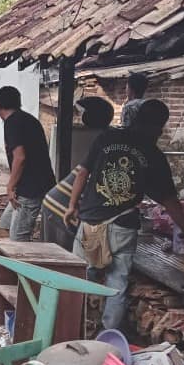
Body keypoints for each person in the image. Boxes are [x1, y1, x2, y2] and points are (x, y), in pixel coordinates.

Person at [65, 99, 184, 330]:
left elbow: (82, 173)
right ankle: (108, 337)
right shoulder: (153, 154)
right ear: (159, 127)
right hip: (123, 225)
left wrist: (72, 205)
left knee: (81, 278)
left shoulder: (107, 138)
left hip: (90, 221)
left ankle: (74, 329)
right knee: (117, 283)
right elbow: (169, 201)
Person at [42, 97, 114, 250]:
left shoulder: (101, 138)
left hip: (62, 201)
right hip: (61, 206)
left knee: (62, 255)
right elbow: (83, 174)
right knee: (59, 256)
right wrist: (72, 205)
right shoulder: (101, 139)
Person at [0, 86, 56, 242]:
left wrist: (10, 186)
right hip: (38, 182)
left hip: (31, 188)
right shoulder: (29, 119)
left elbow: (20, 157)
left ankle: (21, 263)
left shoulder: (12, 123)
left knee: (18, 237)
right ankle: (9, 260)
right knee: (6, 224)